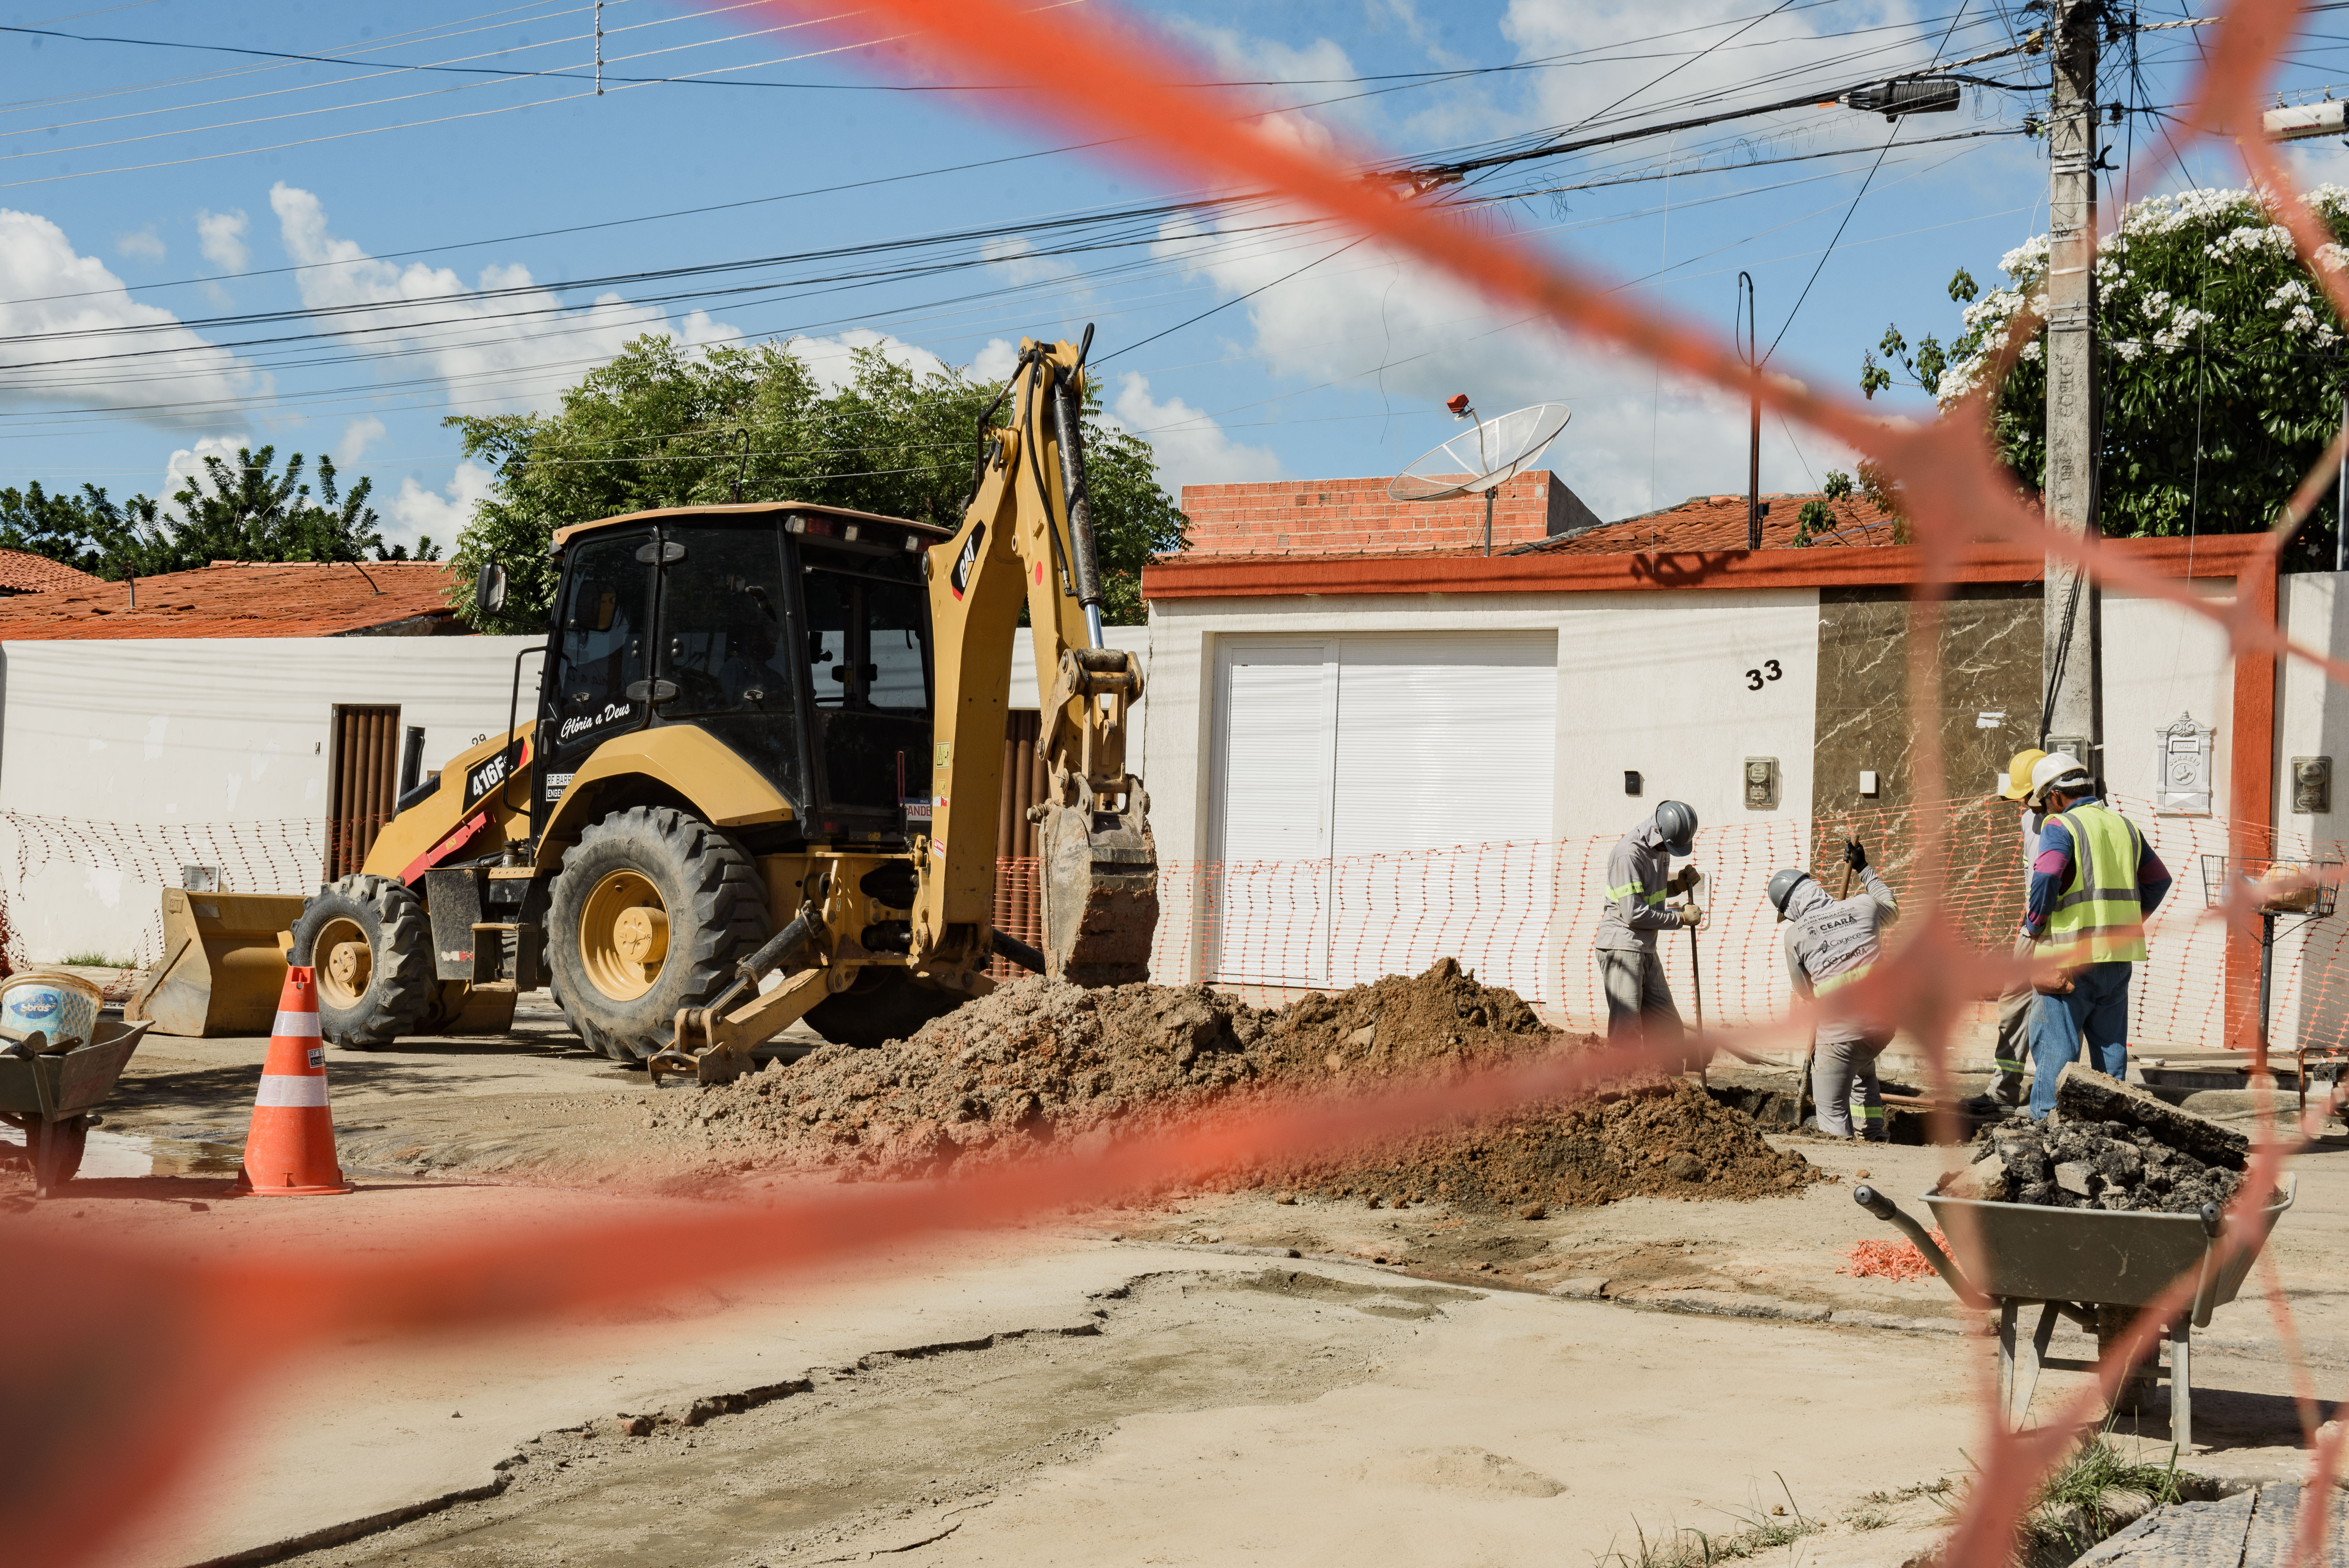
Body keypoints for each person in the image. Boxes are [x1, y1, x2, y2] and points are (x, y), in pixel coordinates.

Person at [2020, 752, 2173, 1119]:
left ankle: (2046, 1134)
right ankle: (2109, 1132)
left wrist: (2035, 924)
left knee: (2058, 1052)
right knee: (2110, 1054)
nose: (2044, 813)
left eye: (2044, 805)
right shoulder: (2125, 826)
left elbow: (2047, 876)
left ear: (2056, 796)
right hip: (2117, 958)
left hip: (2069, 958)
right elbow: (2159, 880)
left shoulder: (2062, 826)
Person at [1772, 840, 1900, 1141]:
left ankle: (1844, 1160)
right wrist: (1864, 869)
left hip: (1842, 1036)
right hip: (1882, 1026)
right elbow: (1892, 910)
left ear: (1791, 909)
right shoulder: (1864, 904)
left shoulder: (1794, 936)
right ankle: (1874, 1135)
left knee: (1831, 1112)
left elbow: (1804, 992)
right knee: (1861, 1069)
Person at [1962, 747, 2048, 1116]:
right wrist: (2030, 926)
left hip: (2060, 932)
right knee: (2013, 1008)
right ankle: (2004, 1090)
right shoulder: (2029, 820)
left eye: (2027, 795)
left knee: (2056, 1016)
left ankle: (2051, 1097)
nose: (2022, 803)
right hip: (2031, 929)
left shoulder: (2071, 823)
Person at [1595, 800, 1700, 1053]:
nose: (1669, 851)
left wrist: (1677, 885)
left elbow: (1649, 893)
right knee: (1627, 1032)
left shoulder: (1660, 847)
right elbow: (1633, 913)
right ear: (1660, 832)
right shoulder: (1628, 855)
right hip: (1622, 948)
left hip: (1645, 948)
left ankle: (1668, 1090)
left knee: (1667, 1027)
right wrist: (1681, 919)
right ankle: (1622, 1090)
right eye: (1669, 846)